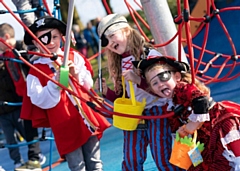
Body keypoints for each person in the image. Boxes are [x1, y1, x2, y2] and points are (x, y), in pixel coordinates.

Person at [21, 16, 111, 171]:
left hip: (85, 116)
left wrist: (75, 74)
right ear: (36, 43)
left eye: (54, 36)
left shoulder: (73, 56)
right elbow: (39, 99)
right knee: (77, 166)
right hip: (63, 122)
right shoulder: (35, 70)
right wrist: (55, 83)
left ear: (62, 37)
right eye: (43, 39)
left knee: (95, 163)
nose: (50, 42)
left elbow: (87, 85)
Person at [95, 13, 182, 171]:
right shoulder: (120, 63)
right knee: (131, 159)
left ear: (126, 30)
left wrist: (139, 80)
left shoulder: (150, 56)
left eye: (112, 35)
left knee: (162, 155)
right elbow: (125, 98)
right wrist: (106, 92)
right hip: (135, 114)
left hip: (157, 110)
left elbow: (167, 91)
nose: (109, 43)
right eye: (105, 41)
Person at [132, 56, 240, 171]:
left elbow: (201, 101)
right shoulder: (169, 108)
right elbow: (181, 134)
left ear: (177, 77)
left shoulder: (183, 88)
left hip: (216, 122)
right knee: (202, 163)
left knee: (230, 146)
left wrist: (192, 125)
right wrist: (182, 135)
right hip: (201, 139)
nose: (160, 84)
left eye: (163, 77)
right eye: (154, 83)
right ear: (153, 90)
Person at [0, 23, 45, 171]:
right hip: (20, 98)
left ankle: (36, 156)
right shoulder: (5, 55)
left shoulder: (20, 48)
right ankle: (35, 157)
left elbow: (31, 66)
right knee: (27, 128)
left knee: (31, 126)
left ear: (6, 37)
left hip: (31, 93)